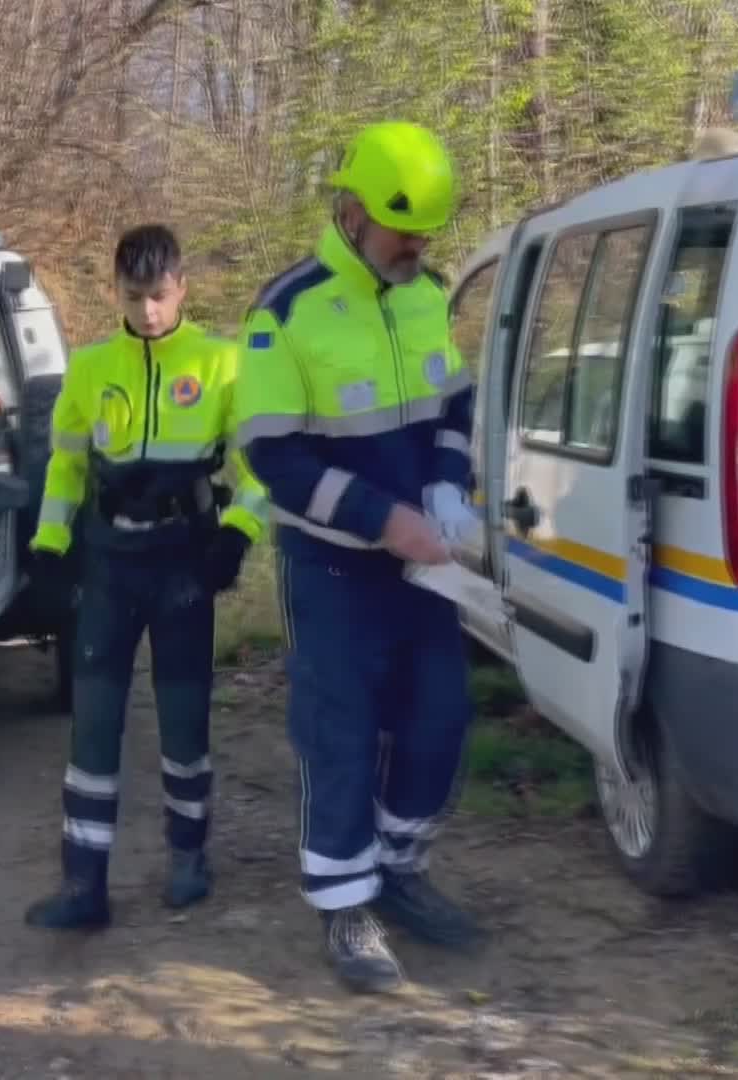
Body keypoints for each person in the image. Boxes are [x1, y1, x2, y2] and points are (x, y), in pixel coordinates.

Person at [231, 120, 481, 993]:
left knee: (439, 719)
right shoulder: (286, 309)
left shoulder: (425, 290)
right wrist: (381, 518)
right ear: (350, 212)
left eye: (425, 234)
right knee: (338, 738)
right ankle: (347, 905)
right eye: (403, 229)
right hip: (335, 566)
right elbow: (273, 453)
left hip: (426, 564)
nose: (417, 246)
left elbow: (455, 404)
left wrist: (450, 482)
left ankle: (400, 869)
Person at [23, 224, 268, 931]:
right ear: (116, 293)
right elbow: (66, 464)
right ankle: (83, 885)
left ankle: (188, 857)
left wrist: (239, 533)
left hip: (186, 566)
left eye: (160, 296)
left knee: (184, 720)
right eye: (136, 297)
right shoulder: (91, 368)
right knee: (92, 725)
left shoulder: (223, 364)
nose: (150, 312)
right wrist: (48, 539)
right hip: (108, 565)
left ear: (182, 286)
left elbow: (256, 472)